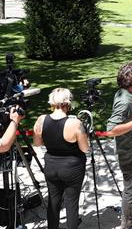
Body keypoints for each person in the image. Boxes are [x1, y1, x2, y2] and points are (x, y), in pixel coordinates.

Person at [32, 88, 89, 229]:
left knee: (53, 201)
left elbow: (37, 143)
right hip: (72, 169)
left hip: (51, 167)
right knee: (71, 203)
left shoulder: (41, 120)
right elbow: (85, 149)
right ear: (67, 103)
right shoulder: (75, 123)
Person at [106, 62, 132, 229]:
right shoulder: (124, 101)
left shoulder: (124, 94)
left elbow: (128, 115)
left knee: (131, 189)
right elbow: (111, 130)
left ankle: (129, 217)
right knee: (130, 192)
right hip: (130, 154)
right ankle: (127, 224)